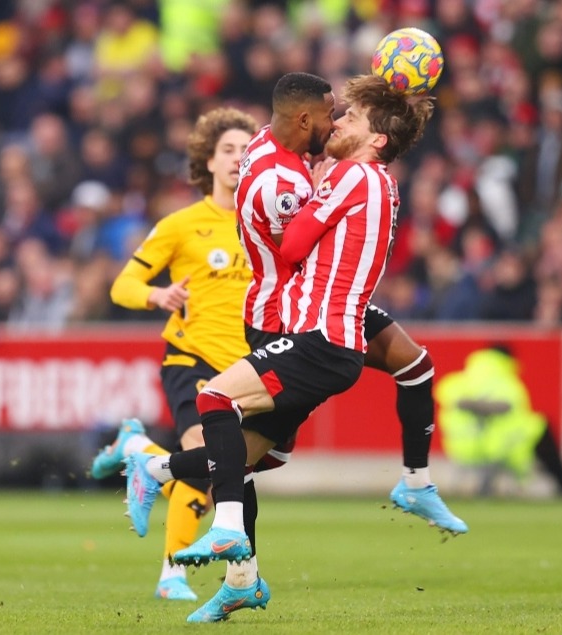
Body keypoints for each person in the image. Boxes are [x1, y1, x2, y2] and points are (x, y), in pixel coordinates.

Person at [124, 73, 467, 624]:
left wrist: (300, 192)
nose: (339, 122)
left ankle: (227, 525)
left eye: (349, 118)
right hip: (323, 328)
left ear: (376, 139)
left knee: (215, 400)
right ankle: (184, 505)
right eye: (335, 114)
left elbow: (296, 243)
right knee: (252, 452)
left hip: (314, 331)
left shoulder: (351, 176)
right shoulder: (361, 174)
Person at [91, 107, 295, 601]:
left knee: (230, 467)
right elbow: (123, 284)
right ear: (207, 160)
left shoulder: (271, 226)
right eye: (227, 150)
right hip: (193, 360)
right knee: (210, 456)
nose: (236, 159)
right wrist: (157, 296)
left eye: (247, 151)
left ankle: (138, 452)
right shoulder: (182, 224)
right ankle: (172, 575)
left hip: (248, 366)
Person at [434, 344, 562, 495]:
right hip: (499, 447)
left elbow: (447, 395)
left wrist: (474, 406)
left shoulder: (460, 379)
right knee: (539, 425)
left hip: (461, 448)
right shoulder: (506, 382)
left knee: (534, 428)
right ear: (508, 359)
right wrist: (486, 408)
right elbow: (506, 407)